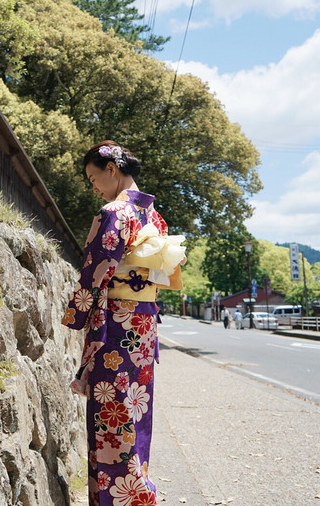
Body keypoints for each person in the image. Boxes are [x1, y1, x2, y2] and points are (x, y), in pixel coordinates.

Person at [62, 140, 185, 506]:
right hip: (144, 324)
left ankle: (122, 498)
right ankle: (134, 488)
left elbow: (96, 270)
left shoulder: (114, 212)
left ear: (111, 170)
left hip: (117, 323)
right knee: (135, 409)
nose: (93, 186)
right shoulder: (153, 215)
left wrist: (75, 314)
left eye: (93, 178)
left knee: (110, 416)